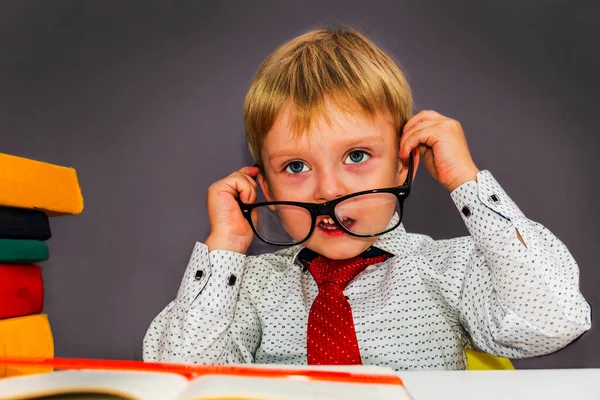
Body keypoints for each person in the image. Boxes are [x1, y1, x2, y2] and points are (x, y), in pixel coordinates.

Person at [142, 26, 591, 370]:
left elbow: (555, 320)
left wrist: (465, 180)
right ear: (268, 190)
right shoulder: (249, 288)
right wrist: (226, 248)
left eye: (356, 156)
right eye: (295, 167)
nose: (329, 190)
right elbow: (180, 377)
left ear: (403, 165)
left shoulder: (448, 269)